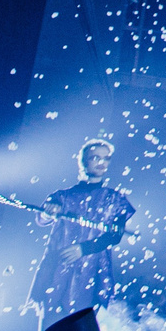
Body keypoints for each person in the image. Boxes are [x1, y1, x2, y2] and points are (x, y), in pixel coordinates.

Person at [27, 136, 135, 320]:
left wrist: (83, 249)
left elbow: (113, 237)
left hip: (92, 272)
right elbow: (41, 219)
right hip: (57, 269)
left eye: (106, 158)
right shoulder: (62, 196)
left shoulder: (115, 199)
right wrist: (48, 212)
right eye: (95, 158)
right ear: (83, 162)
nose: (101, 162)